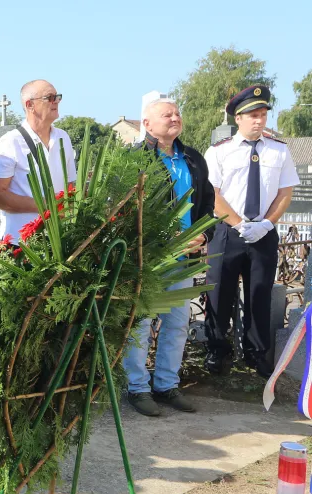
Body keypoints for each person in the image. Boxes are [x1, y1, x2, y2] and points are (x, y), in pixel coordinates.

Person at [122, 98, 215, 417]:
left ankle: (166, 385)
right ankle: (136, 388)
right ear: (146, 124)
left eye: (177, 113)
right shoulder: (135, 158)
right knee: (141, 325)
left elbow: (207, 204)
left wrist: (203, 234)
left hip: (185, 260)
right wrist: (164, 239)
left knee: (177, 323)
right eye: (167, 114)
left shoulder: (192, 158)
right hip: (150, 259)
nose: (175, 117)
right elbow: (125, 210)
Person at [204, 85, 300, 378]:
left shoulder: (279, 151)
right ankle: (217, 352)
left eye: (262, 114)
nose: (259, 120)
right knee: (219, 292)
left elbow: (285, 192)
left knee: (259, 293)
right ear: (238, 118)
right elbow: (214, 194)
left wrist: (267, 224)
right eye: (252, 115)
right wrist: (238, 223)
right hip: (227, 231)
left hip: (263, 232)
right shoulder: (219, 152)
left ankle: (256, 354)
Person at [0, 80, 76, 242]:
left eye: (57, 97)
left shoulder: (63, 137)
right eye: (49, 97)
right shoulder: (11, 142)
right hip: (20, 243)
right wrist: (47, 205)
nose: (56, 101)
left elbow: (71, 185)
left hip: (59, 239)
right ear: (30, 105)